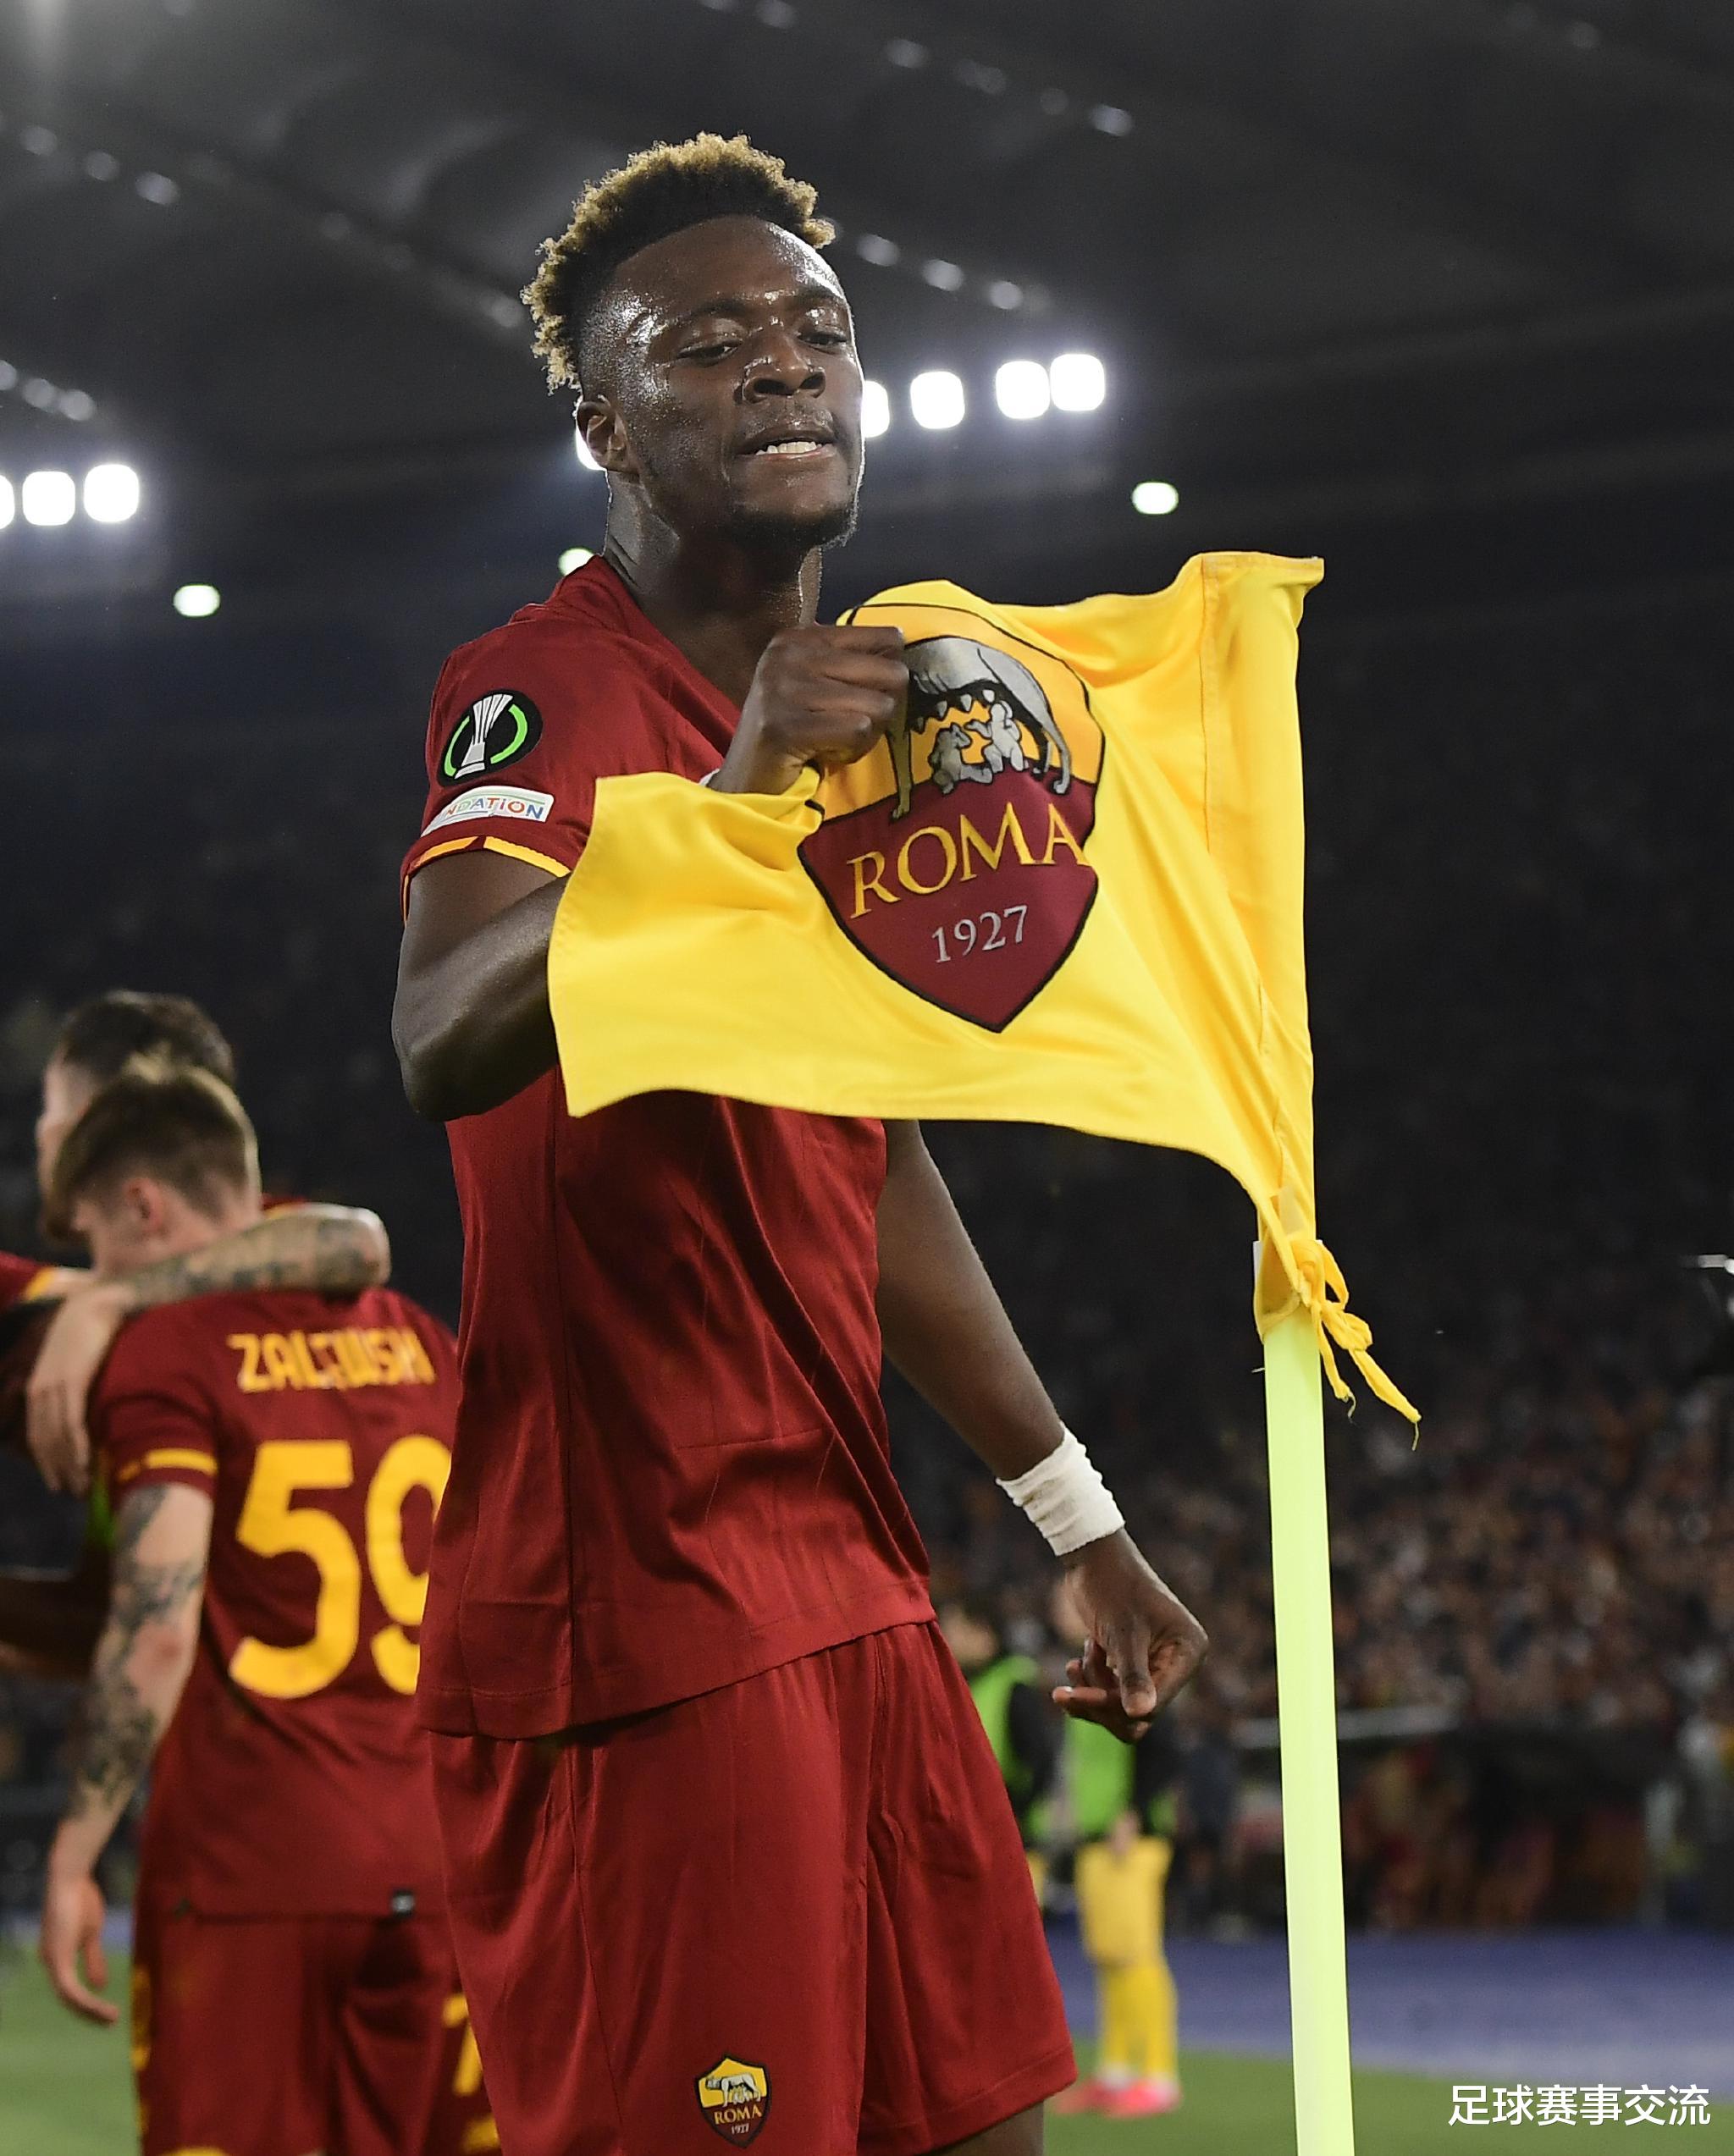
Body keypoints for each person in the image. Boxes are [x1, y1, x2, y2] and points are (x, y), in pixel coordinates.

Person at [393, 131, 1207, 2156]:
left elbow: (872, 1159)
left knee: (984, 2125)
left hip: (850, 1579)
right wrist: (725, 807)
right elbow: (441, 1033)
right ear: (603, 423)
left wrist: (1076, 1514)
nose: (783, 362)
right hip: (642, 1608)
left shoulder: (879, 722)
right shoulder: (546, 689)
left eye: (818, 328)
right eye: (706, 342)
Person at [36, 1062, 493, 2156]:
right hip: (438, 1862)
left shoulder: (168, 1354)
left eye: (96, 1241)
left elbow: (158, 1629)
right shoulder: (419, 1338)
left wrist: (74, 1853)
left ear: (143, 1206)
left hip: (250, 1877)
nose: (99, 1275)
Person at [0, 990, 394, 1676]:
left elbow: (358, 1242)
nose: (41, 1133)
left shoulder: (268, 1276)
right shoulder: (290, 1277)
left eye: (53, 1108)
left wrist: (108, 1302)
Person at [1067, 1811, 1181, 2119]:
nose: (1121, 1837)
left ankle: (1159, 2081)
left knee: (1150, 2012)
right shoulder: (1093, 1862)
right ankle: (1115, 2075)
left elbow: (1167, 1836)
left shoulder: (1148, 1857)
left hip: (1140, 1956)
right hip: (1107, 1956)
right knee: (1115, 2017)